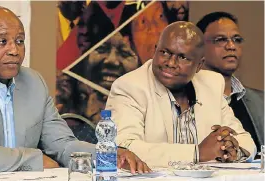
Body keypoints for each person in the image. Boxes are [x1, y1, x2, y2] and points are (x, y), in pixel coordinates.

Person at [0, 6, 150, 173]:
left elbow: (62, 143)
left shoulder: (33, 82)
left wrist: (108, 154)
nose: (14, 50)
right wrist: (35, 160)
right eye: (2, 42)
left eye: (20, 41)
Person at [106, 21, 256, 167]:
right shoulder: (129, 87)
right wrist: (197, 153)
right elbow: (123, 148)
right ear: (155, 50)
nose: (170, 63)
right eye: (165, 52)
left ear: (199, 65)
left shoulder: (212, 84)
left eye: (182, 57)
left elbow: (245, 140)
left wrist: (231, 149)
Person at [196, 12, 263, 155]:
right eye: (220, 40)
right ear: (199, 47)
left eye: (237, 39)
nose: (231, 46)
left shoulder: (260, 101)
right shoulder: (185, 97)